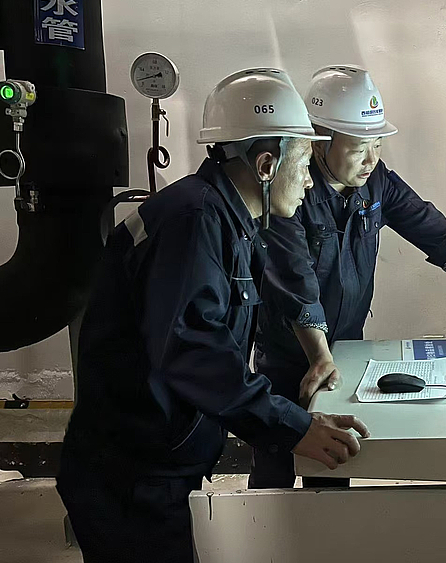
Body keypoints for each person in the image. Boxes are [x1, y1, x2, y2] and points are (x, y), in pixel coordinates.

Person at [56, 68, 369, 563]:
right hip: (132, 475)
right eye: (303, 162)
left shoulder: (225, 219)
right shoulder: (194, 223)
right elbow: (195, 350)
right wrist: (291, 427)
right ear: (266, 164)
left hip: (148, 463)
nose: (310, 180)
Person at [250, 65, 446, 489]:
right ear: (319, 140)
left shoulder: (375, 182)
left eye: (378, 144)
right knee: (274, 469)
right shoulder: (291, 189)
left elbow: (426, 224)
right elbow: (296, 280)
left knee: (333, 462)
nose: (371, 159)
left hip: (344, 348)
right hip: (289, 354)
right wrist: (318, 355)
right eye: (359, 148)